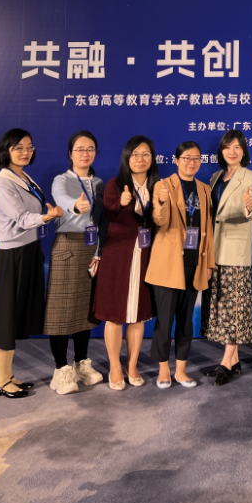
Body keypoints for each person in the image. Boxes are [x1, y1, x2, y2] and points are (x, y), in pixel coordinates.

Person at [0, 129, 63, 398]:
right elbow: (21, 219)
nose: (25, 152)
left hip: (30, 249)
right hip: (13, 255)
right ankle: (1, 380)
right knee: (6, 317)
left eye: (29, 147)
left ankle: (8, 375)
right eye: (18, 148)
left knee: (18, 314)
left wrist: (48, 215)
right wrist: (46, 217)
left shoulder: (23, 177)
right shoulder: (4, 183)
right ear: (5, 150)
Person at [93, 136, 159, 390]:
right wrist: (121, 203)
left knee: (137, 316)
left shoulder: (158, 185)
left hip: (145, 255)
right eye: (135, 154)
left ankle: (132, 365)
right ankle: (115, 366)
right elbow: (109, 213)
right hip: (117, 255)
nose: (140, 159)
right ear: (126, 158)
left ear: (152, 158)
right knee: (115, 315)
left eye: (145, 154)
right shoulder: (115, 184)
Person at [147, 141, 214, 389]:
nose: (191, 162)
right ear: (176, 161)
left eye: (196, 158)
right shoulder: (163, 186)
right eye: (186, 158)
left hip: (194, 263)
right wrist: (161, 202)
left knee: (186, 321)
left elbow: (208, 228)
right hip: (168, 264)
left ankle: (181, 370)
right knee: (165, 320)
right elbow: (159, 220)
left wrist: (209, 263)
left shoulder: (205, 190)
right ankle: (164, 369)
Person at [44, 130, 107, 395]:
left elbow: (102, 221)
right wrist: (75, 206)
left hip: (91, 249)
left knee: (85, 311)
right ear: (70, 153)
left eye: (90, 149)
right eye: (80, 149)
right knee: (61, 311)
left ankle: (81, 363)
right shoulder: (61, 180)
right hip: (67, 247)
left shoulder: (100, 183)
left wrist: (99, 252)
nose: (85, 153)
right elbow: (61, 199)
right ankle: (61, 369)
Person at [201, 131, 252, 386]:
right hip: (215, 248)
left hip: (235, 251)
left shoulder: (251, 177)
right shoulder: (216, 177)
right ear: (221, 151)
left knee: (233, 308)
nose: (232, 152)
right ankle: (234, 361)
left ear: (244, 151)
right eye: (228, 147)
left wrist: (249, 205)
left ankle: (226, 362)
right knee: (221, 306)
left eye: (237, 147)